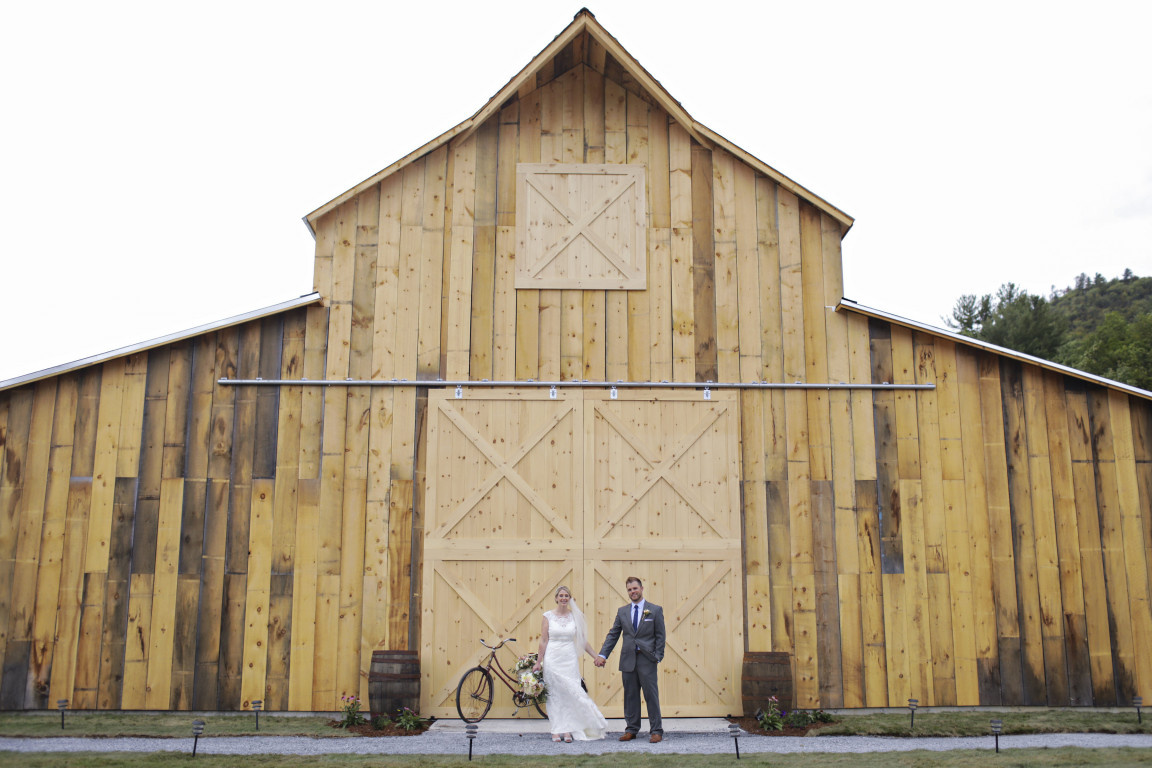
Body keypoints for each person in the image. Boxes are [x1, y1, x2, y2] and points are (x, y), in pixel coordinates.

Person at [594, 576, 665, 743]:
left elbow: (660, 636)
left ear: (641, 588)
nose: (633, 592)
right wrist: (603, 654)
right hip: (628, 660)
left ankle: (656, 730)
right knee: (630, 696)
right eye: (630, 590)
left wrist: (658, 656)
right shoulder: (622, 612)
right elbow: (613, 634)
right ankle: (631, 729)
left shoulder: (654, 610)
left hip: (647, 659)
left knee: (651, 695)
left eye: (635, 588)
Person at [534, 585, 608, 742]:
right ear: (556, 598)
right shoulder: (547, 616)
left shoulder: (575, 616)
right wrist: (538, 662)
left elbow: (582, 641)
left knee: (570, 694)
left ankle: (567, 730)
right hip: (553, 658)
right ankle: (556, 730)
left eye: (566, 596)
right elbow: (544, 640)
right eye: (560, 595)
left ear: (569, 598)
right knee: (554, 695)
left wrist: (596, 656)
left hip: (569, 659)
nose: (563, 598)